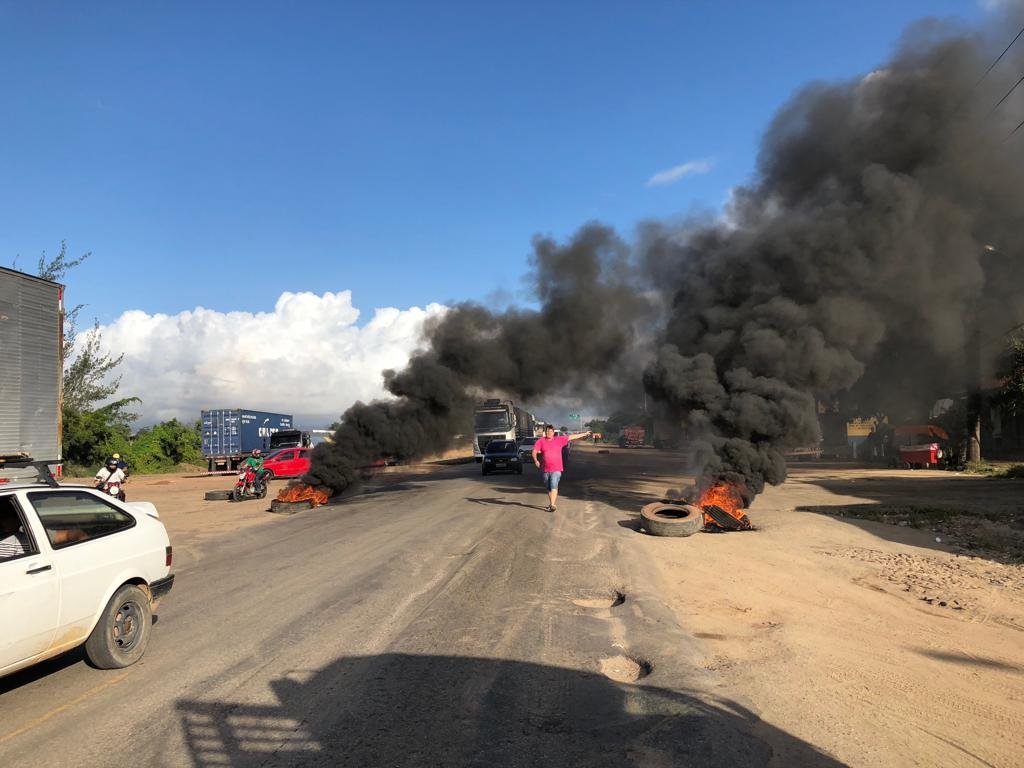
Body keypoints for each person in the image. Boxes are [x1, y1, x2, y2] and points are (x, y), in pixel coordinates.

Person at [531, 424, 592, 512]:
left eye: (551, 431)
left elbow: (572, 437)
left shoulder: (559, 440)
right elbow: (534, 451)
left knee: (553, 485)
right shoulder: (541, 441)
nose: (549, 433)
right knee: (548, 488)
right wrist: (536, 460)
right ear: (545, 432)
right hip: (545, 469)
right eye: (547, 431)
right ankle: (551, 503)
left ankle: (552, 505)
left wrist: (584, 433)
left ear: (553, 432)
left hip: (556, 469)